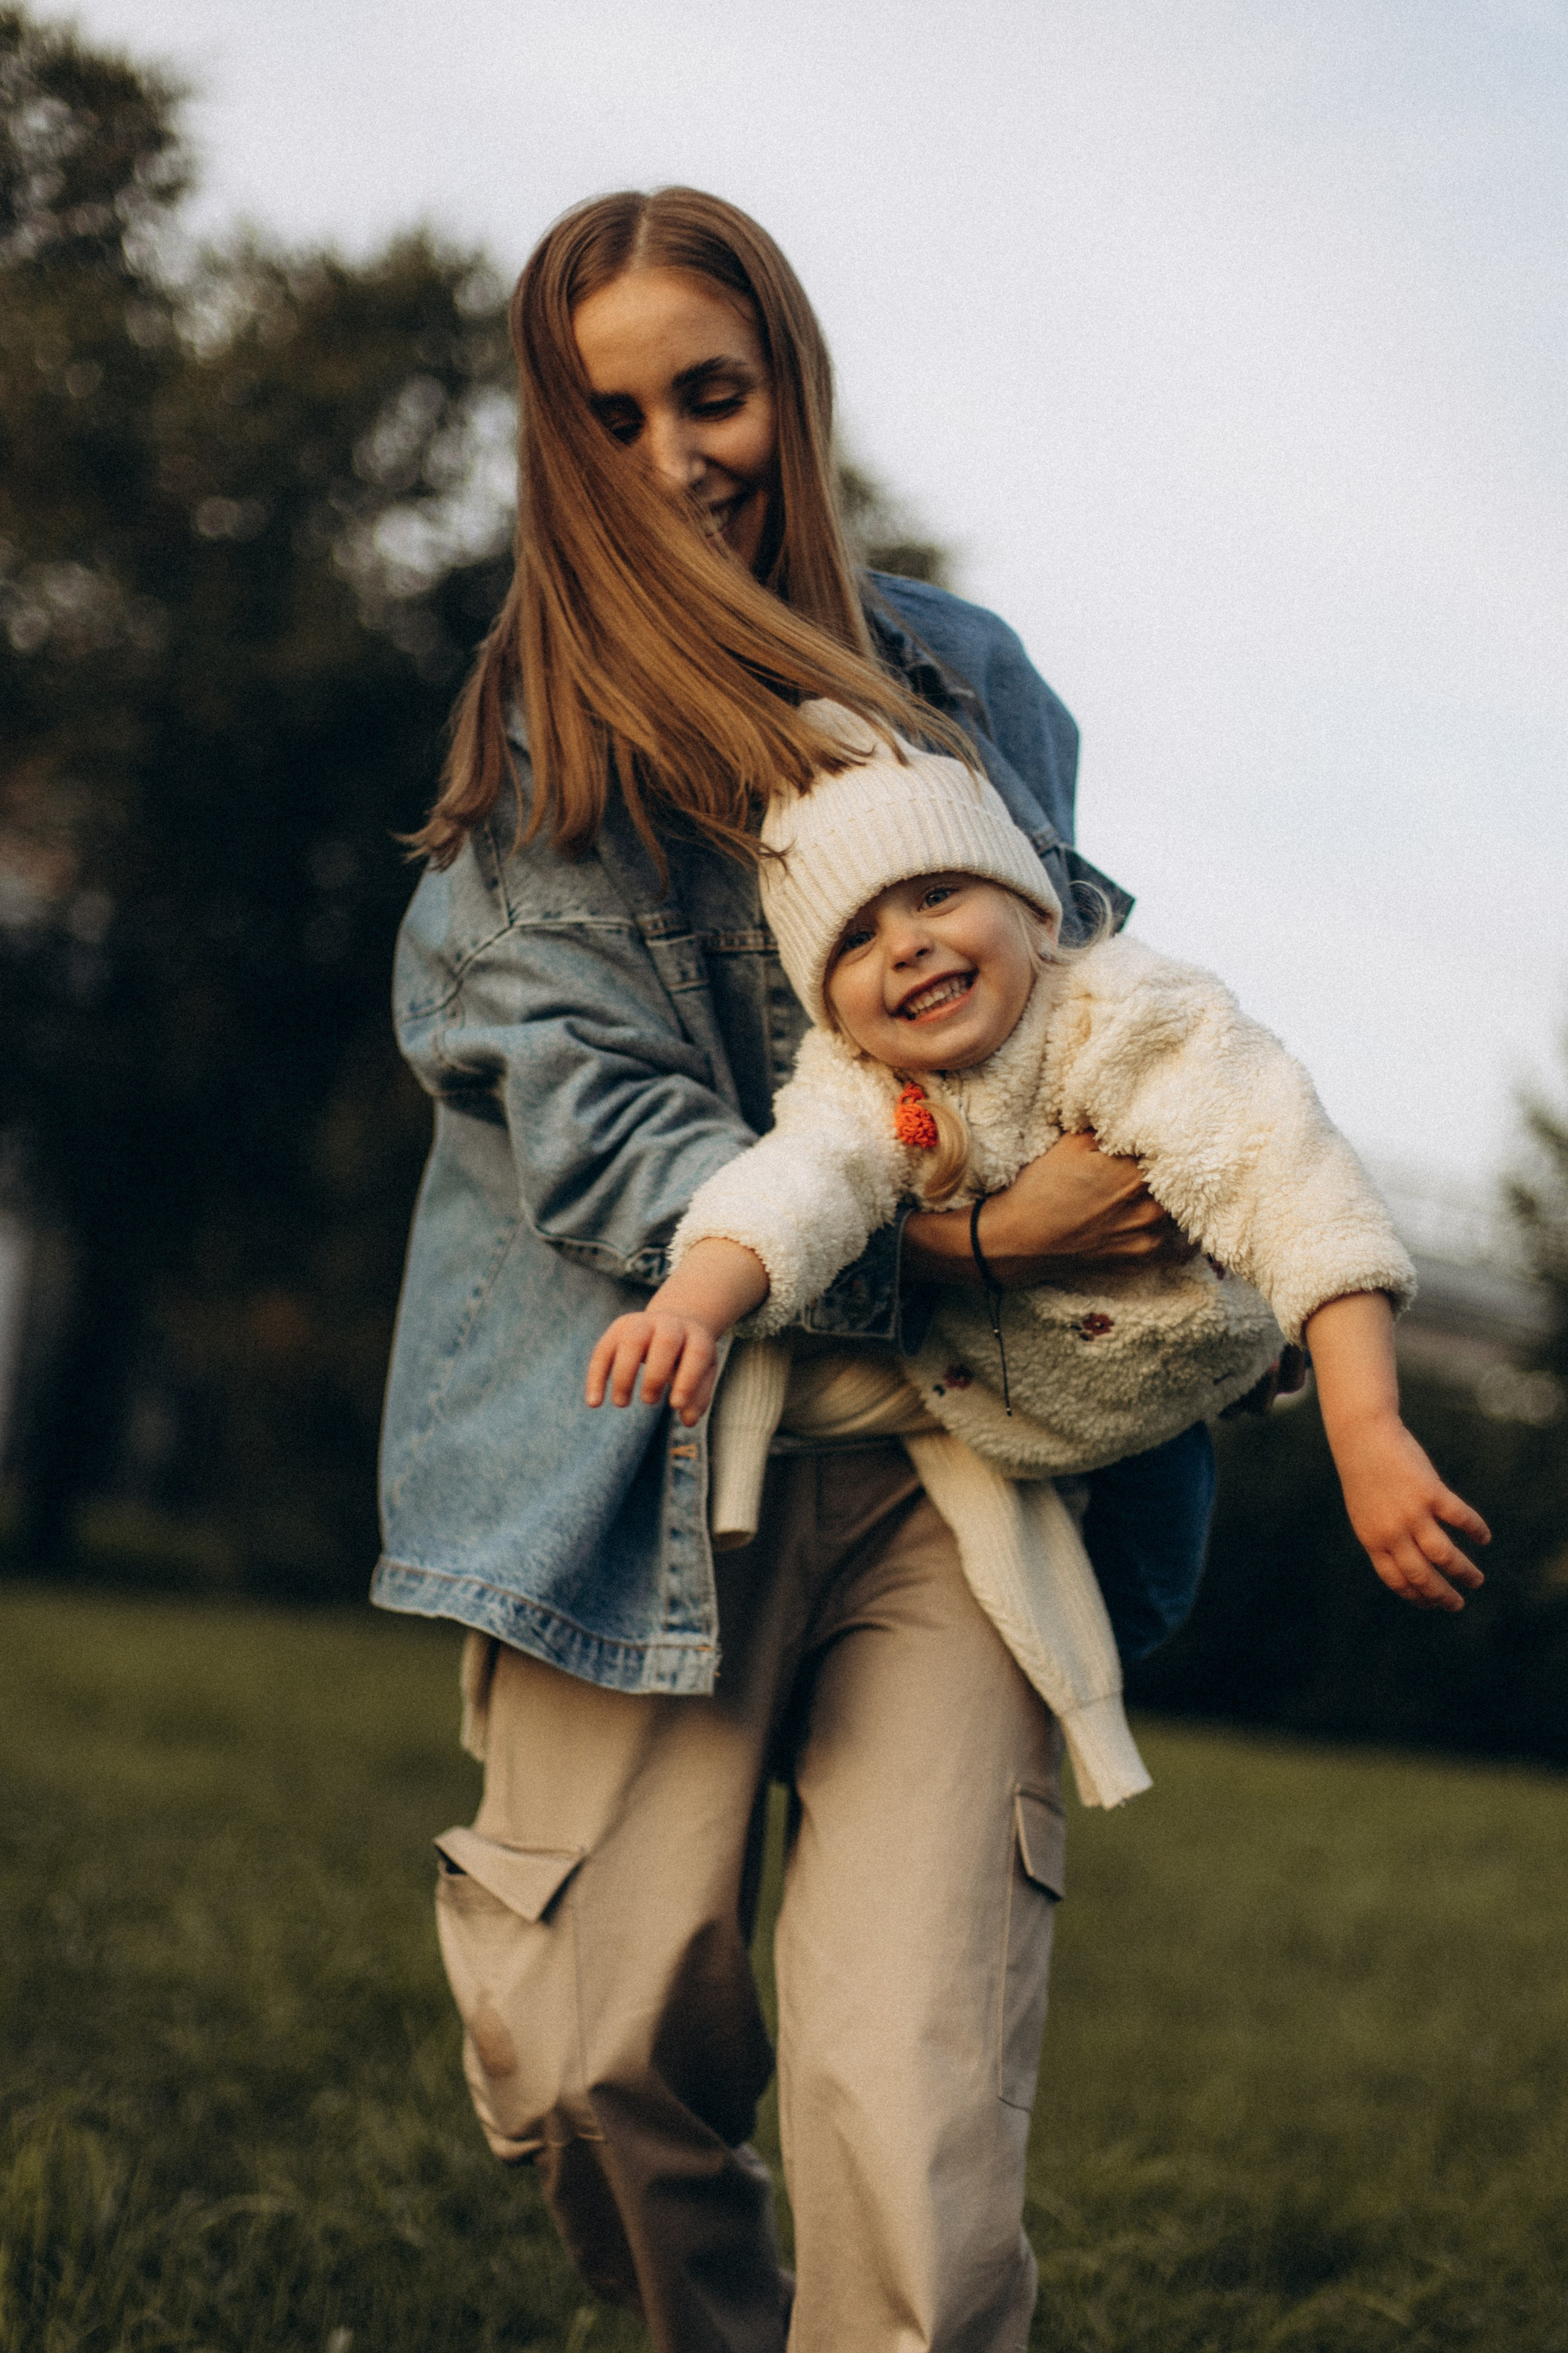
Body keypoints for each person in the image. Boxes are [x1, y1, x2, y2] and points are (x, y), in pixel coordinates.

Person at [373, 186, 1474, 2351]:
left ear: (790, 382)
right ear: (552, 437)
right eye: (617, 415)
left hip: (972, 1488)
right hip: (649, 1455)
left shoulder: (968, 682)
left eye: (718, 390)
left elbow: (1090, 1018)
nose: (679, 453)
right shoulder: (537, 740)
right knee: (594, 2058)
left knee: (918, 2100)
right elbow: (603, 1134)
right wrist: (966, 1236)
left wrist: (1229, 1297)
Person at [584, 716, 1488, 1815]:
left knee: (1138, 1607)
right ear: (833, 1006)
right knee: (1018, 1643)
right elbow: (793, 1191)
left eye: (933, 895)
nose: (906, 945)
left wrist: (1368, 1432)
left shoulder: (1129, 1016)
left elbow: (1291, 1181)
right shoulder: (859, 1088)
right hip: (1006, 1414)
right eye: (856, 940)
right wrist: (693, 1304)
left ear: (1033, 908)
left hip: (1173, 1394)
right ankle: (856, 1742)